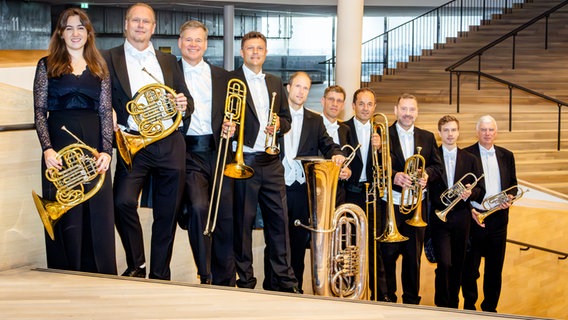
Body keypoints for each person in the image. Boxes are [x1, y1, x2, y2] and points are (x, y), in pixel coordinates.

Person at [102, 3, 192, 280]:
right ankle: (137, 264)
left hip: (169, 144)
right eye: (136, 20)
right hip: (134, 143)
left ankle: (160, 273)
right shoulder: (108, 57)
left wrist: (182, 104)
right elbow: (99, 96)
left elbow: (185, 99)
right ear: (126, 24)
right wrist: (110, 111)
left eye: (146, 22)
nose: (141, 26)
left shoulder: (168, 61)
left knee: (167, 214)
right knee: (122, 203)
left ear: (153, 28)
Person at [32, 8, 116, 275]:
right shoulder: (46, 65)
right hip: (60, 145)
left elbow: (105, 110)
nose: (75, 33)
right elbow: (39, 111)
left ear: (88, 32)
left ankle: (99, 272)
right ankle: (66, 271)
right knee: (67, 210)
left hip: (93, 146)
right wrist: (47, 149)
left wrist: (107, 151)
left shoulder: (100, 66)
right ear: (61, 33)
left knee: (96, 211)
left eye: (80, 27)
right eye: (69, 28)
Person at [231, 31, 299, 293]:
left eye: (259, 48)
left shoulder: (275, 81)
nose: (255, 52)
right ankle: (245, 281)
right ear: (242, 52)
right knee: (243, 224)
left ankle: (285, 280)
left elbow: (287, 119)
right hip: (245, 161)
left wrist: (279, 124)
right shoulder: (231, 80)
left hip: (271, 162)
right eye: (250, 48)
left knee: (279, 223)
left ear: (265, 52)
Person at [177, 20, 236, 286]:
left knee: (223, 214)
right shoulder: (170, 72)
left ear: (206, 44)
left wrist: (230, 124)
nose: (193, 44)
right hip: (187, 151)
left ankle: (225, 277)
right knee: (200, 207)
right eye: (188, 39)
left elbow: (233, 113)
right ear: (180, 42)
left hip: (218, 150)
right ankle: (206, 273)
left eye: (198, 40)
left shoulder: (223, 76)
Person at [283, 72, 345, 292]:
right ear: (288, 88)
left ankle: (295, 289)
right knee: (276, 240)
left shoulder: (315, 120)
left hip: (300, 189)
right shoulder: (273, 114)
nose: (301, 91)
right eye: (297, 86)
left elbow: (328, 144)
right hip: (275, 187)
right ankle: (274, 289)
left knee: (299, 242)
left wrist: (336, 153)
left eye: (306, 88)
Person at [380, 93, 443, 304]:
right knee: (387, 255)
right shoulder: (383, 135)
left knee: (412, 257)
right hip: (391, 204)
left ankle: (411, 301)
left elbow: (437, 166)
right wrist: (394, 175)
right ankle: (388, 297)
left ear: (417, 112)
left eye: (412, 109)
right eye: (404, 109)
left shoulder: (427, 137)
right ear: (396, 110)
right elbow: (375, 166)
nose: (408, 113)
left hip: (417, 205)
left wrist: (426, 175)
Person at [462, 115, 518, 312]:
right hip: (475, 216)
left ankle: (490, 310)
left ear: (496, 132)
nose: (487, 134)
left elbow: (513, 184)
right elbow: (461, 188)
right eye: (484, 130)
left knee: (494, 270)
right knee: (470, 269)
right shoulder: (466, 154)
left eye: (491, 130)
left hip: (499, 219)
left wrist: (510, 197)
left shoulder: (507, 155)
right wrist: (470, 210)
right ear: (477, 132)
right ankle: (470, 307)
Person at [428, 115, 485, 308]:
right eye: (446, 130)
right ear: (439, 133)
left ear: (458, 132)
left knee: (458, 264)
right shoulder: (432, 156)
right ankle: (441, 305)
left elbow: (481, 189)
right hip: (439, 217)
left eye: (453, 130)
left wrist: (471, 193)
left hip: (462, 217)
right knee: (444, 264)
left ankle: (452, 305)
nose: (450, 134)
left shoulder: (470, 159)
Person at [343, 88, 388, 301]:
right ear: (353, 106)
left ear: (374, 107)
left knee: (374, 247)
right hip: (351, 194)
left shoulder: (381, 131)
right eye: (361, 103)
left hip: (373, 196)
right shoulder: (343, 129)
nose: (365, 108)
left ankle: (379, 295)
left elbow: (389, 164)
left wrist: (380, 149)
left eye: (369, 104)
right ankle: (349, 292)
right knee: (349, 246)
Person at [320, 85, 352, 205]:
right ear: (323, 101)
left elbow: (348, 156)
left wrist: (348, 171)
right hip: (318, 189)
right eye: (331, 99)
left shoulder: (345, 129)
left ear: (343, 105)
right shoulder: (312, 125)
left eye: (339, 101)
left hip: (339, 191)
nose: (335, 104)